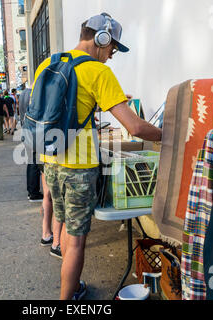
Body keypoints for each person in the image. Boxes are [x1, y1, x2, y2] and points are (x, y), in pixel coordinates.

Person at [34, 13, 162, 300]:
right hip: (79, 169)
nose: (112, 55)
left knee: (66, 227)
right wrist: (169, 135)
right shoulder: (98, 72)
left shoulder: (50, 62)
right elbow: (136, 127)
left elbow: (61, 109)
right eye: (112, 48)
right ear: (101, 38)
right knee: (78, 241)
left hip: (51, 162)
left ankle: (73, 288)